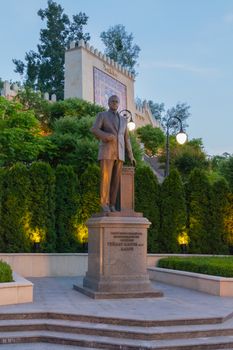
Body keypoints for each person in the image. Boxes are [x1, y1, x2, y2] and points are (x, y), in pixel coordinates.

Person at [91, 95, 136, 213]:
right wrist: (106, 136)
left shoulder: (124, 120)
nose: (115, 103)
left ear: (119, 103)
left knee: (116, 181)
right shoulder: (102, 115)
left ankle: (112, 204)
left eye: (117, 102)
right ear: (109, 103)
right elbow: (94, 129)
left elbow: (127, 139)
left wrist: (131, 155)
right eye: (113, 101)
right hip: (107, 151)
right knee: (106, 179)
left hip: (119, 153)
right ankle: (104, 203)